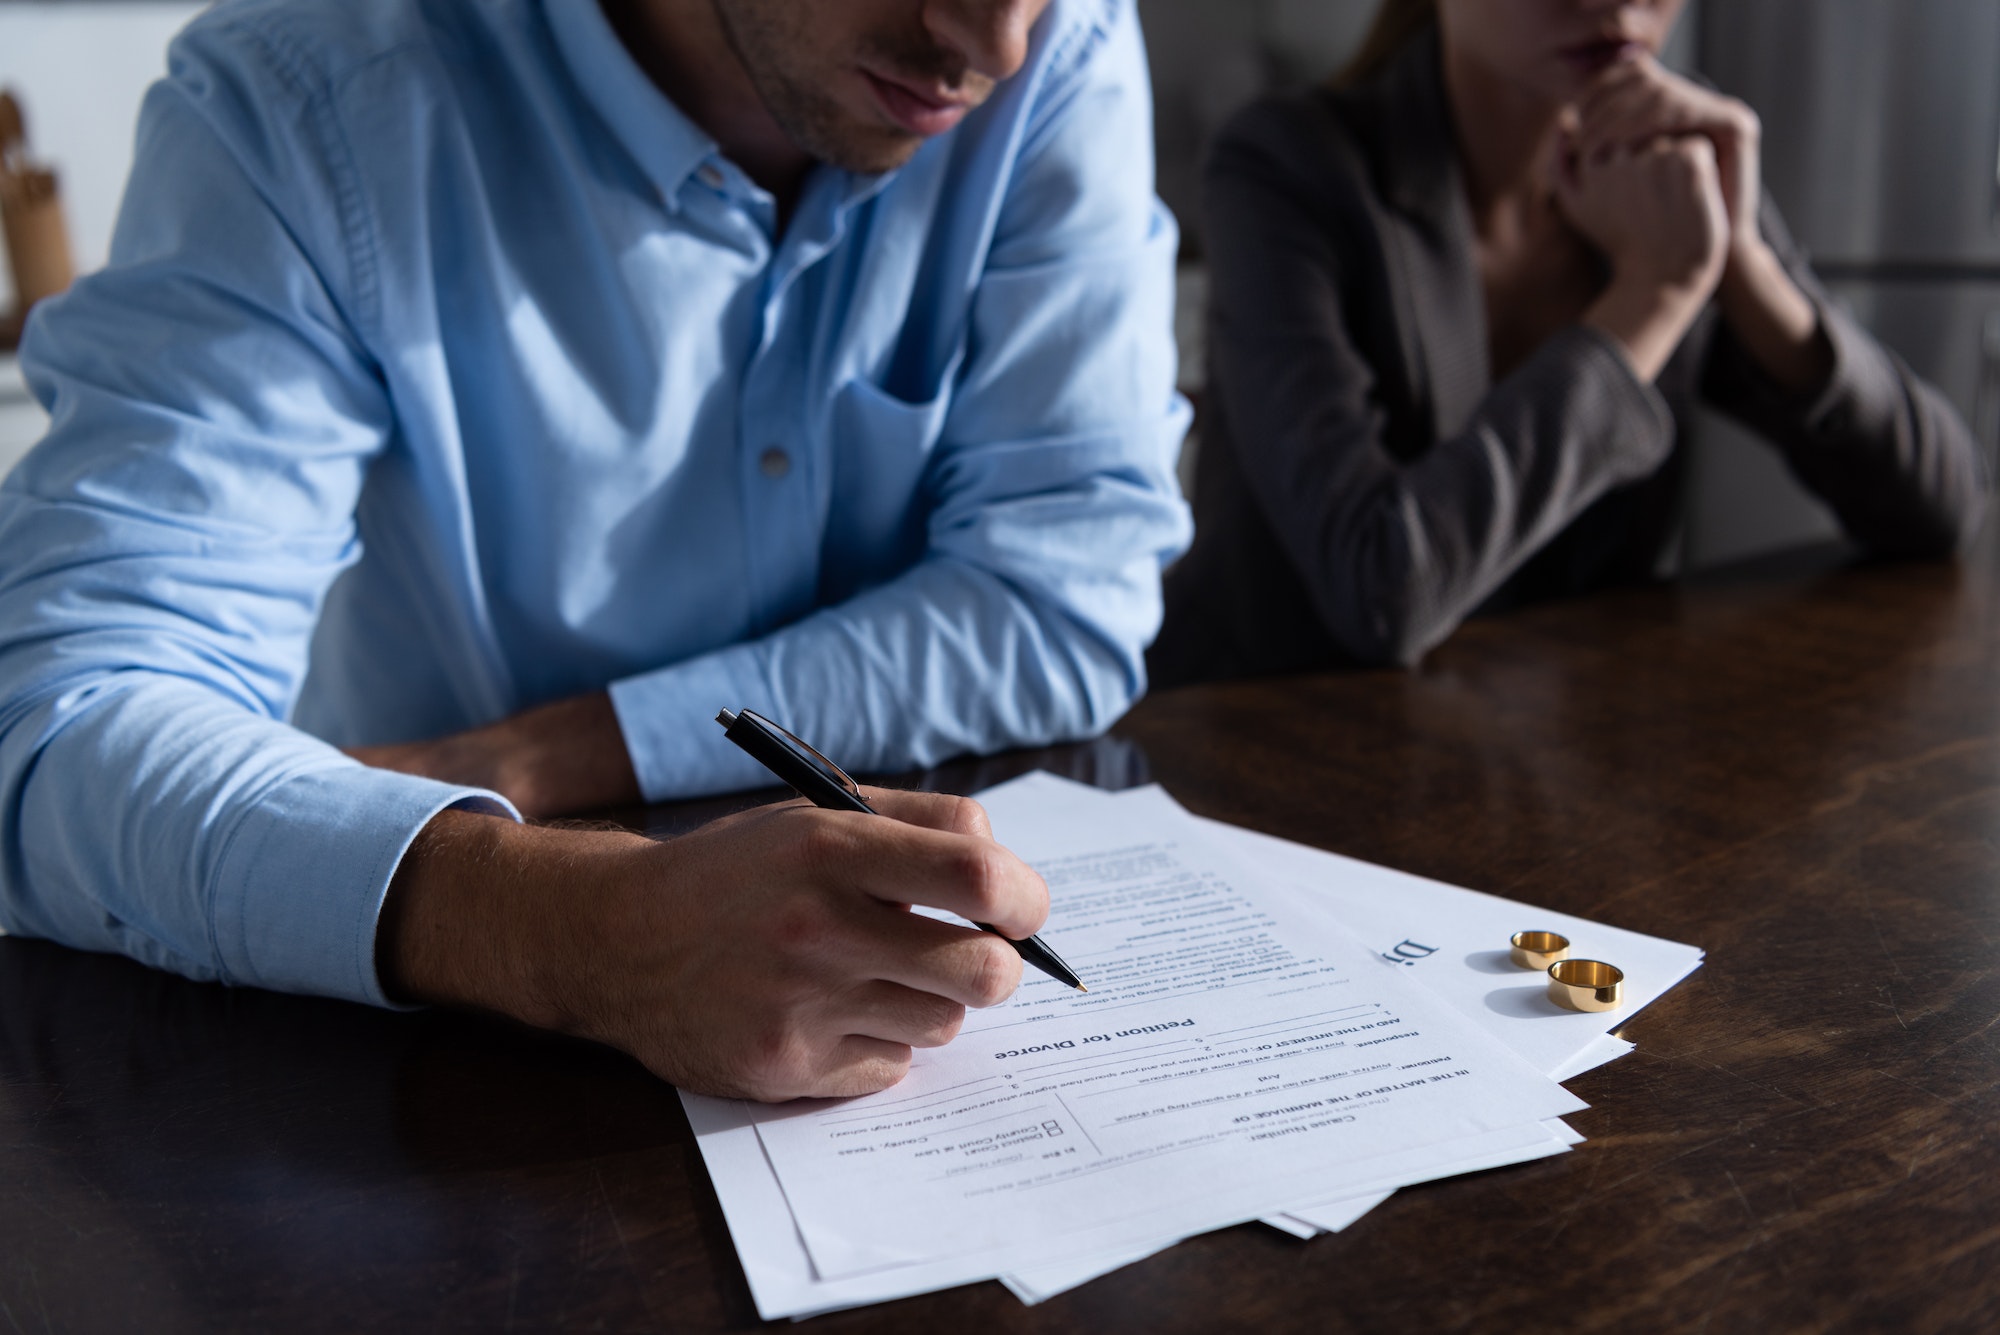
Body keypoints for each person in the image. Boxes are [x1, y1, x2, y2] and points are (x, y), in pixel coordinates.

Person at [0, 0, 1191, 1101]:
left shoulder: (1062, 49)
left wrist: (530, 757)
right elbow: (62, 727)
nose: (992, 46)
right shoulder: (312, 96)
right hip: (435, 1081)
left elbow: (1059, 597)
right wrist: (571, 930)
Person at [1149, 0, 1987, 686]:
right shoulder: (1290, 166)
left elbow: (1943, 504)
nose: (1617, 5)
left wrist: (1748, 265)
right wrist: (1650, 298)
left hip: (1534, 775)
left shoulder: (1667, 168)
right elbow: (1382, 589)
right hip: (1256, 765)